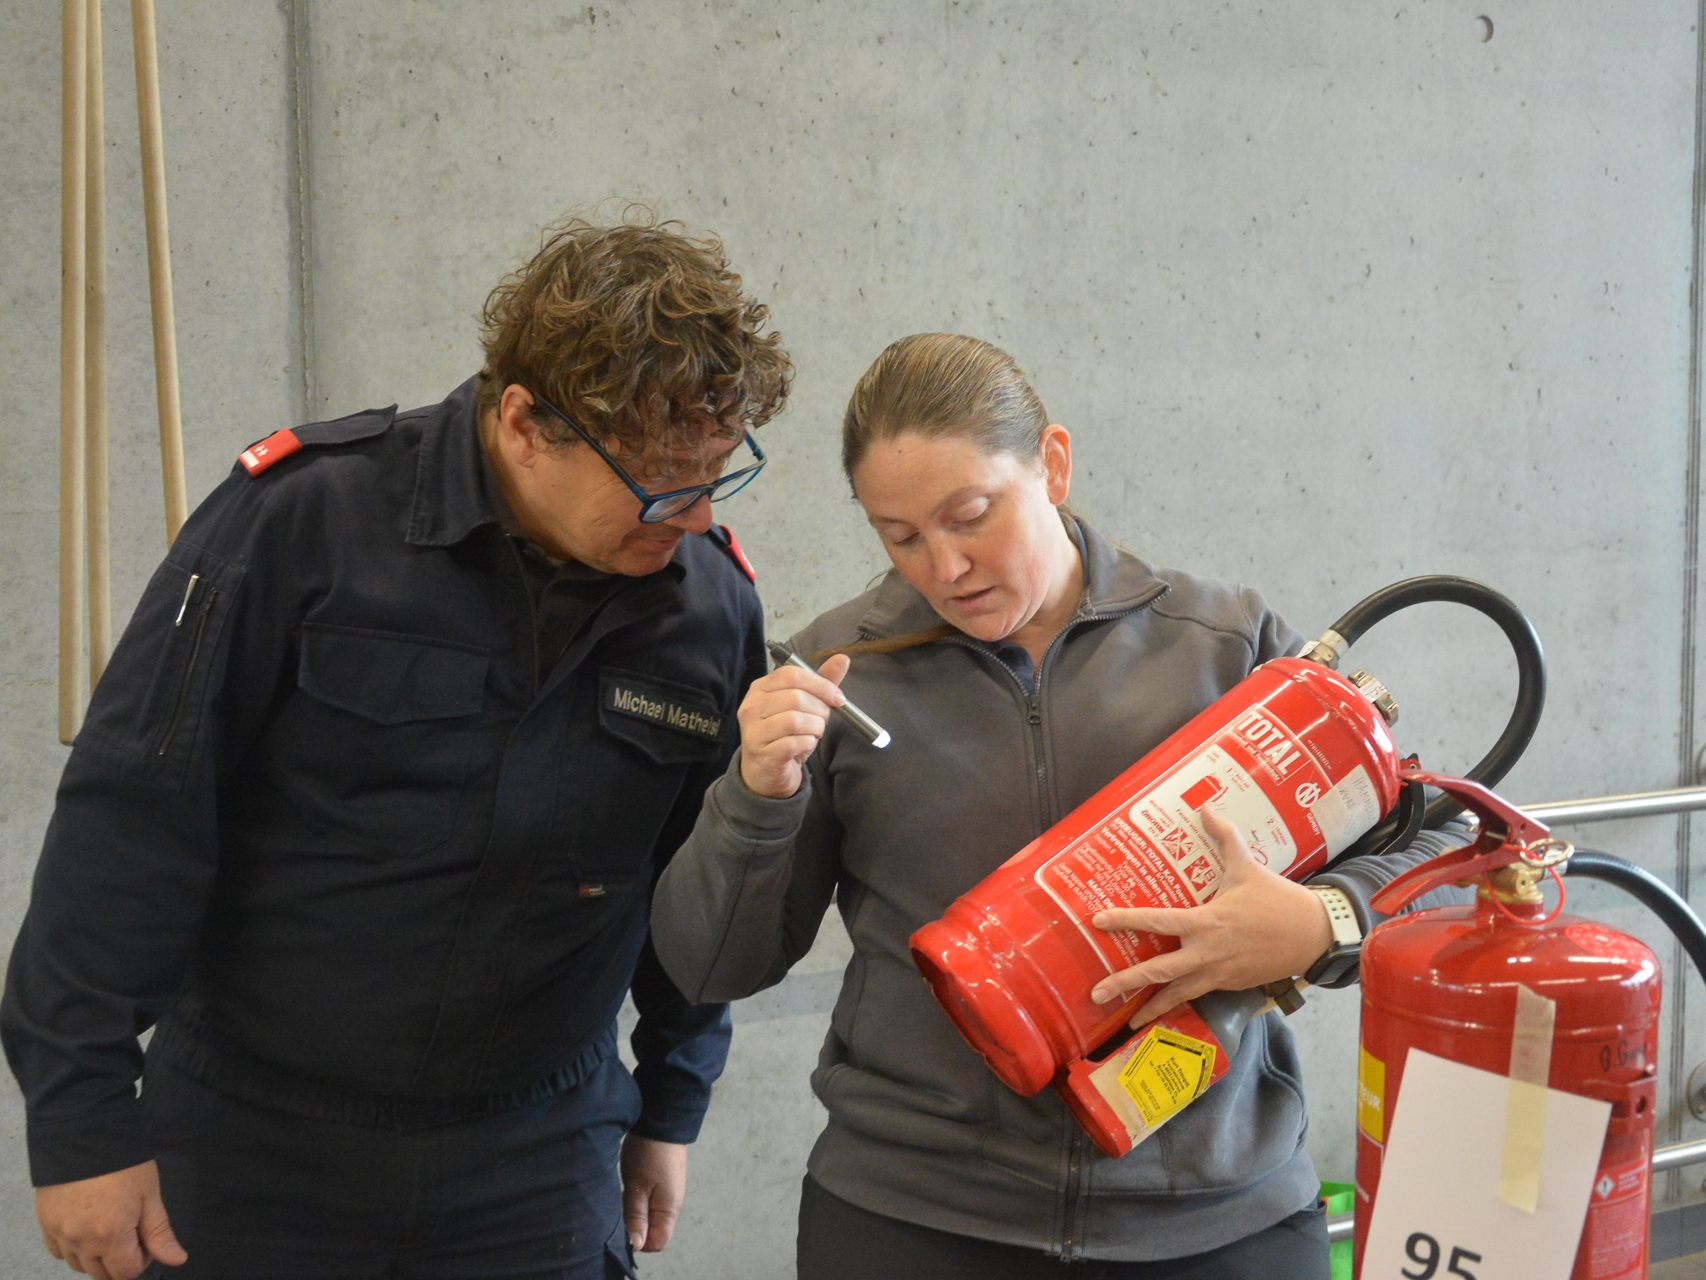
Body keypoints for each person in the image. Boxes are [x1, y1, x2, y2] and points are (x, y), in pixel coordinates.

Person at [2, 210, 792, 1280]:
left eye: (715, 474)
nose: (693, 517)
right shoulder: (298, 522)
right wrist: (81, 1119)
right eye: (660, 480)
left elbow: (688, 880)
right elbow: (133, 817)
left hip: (536, 1155)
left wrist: (670, 1102)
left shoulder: (708, 605)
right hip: (256, 1144)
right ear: (523, 422)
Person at [650, 333, 1465, 1278]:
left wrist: (1318, 924)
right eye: (900, 536)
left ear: (1055, 467)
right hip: (916, 1220)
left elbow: (1445, 866)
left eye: (972, 515)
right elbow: (709, 964)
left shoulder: (1223, 648)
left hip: (1216, 1218)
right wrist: (754, 797)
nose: (945, 568)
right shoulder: (834, 674)